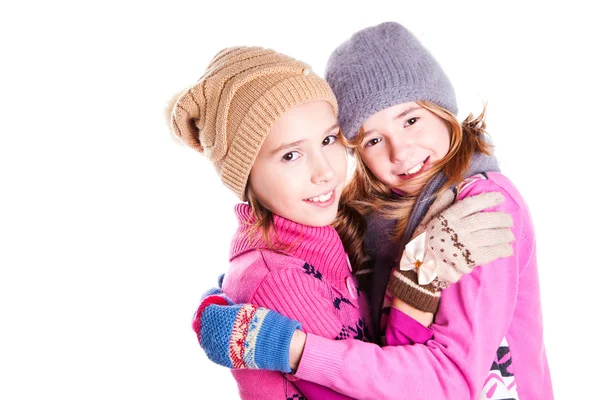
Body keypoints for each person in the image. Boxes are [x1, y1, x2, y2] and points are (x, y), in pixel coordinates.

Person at [186, 20, 552, 399]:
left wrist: (292, 349)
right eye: (373, 139)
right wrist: (223, 300)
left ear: (442, 110)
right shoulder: (371, 209)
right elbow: (376, 336)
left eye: (411, 120)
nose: (402, 152)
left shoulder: (479, 213)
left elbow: (453, 383)